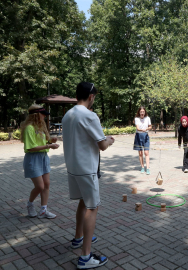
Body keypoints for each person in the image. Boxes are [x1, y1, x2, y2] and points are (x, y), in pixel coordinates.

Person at [62, 82, 114, 269]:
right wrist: (110, 140)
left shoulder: (68, 114)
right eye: (95, 96)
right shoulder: (90, 116)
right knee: (92, 207)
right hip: (87, 169)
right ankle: (85, 257)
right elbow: (102, 145)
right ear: (91, 96)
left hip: (73, 167)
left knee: (83, 202)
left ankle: (78, 238)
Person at [21, 104, 60, 219]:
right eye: (43, 114)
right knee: (40, 186)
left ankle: (43, 210)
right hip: (33, 159)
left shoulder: (41, 127)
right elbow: (31, 147)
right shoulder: (29, 128)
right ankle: (30, 204)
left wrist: (51, 140)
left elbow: (43, 142)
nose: (45, 117)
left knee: (46, 184)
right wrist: (49, 145)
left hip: (43, 157)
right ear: (36, 115)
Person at [134, 106, 152, 175]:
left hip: (146, 136)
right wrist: (142, 130)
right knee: (140, 153)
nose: (142, 113)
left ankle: (147, 168)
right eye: (141, 112)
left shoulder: (147, 118)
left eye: (143, 112)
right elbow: (138, 128)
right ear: (139, 112)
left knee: (146, 153)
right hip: (138, 136)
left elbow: (150, 126)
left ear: (145, 112)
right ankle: (142, 167)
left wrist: (147, 128)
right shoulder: (136, 119)